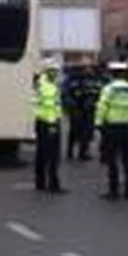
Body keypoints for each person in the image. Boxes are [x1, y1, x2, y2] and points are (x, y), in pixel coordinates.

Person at [96, 61, 128, 200]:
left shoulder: (109, 89)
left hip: (112, 127)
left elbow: (102, 106)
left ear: (112, 74)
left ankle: (114, 191)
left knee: (112, 161)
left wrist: (99, 123)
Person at [32, 58, 66, 193]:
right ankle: (53, 184)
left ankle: (40, 183)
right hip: (49, 122)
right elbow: (50, 106)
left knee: (41, 153)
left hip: (42, 122)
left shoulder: (42, 83)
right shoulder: (48, 86)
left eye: (56, 71)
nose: (55, 73)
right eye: (53, 71)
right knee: (52, 155)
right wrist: (53, 124)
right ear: (47, 71)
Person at [62, 61, 95, 162]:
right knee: (75, 130)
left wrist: (91, 102)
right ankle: (71, 151)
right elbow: (65, 94)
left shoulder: (89, 80)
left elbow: (92, 92)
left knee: (85, 131)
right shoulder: (70, 80)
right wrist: (70, 104)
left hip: (86, 109)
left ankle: (82, 152)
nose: (86, 70)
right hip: (76, 108)